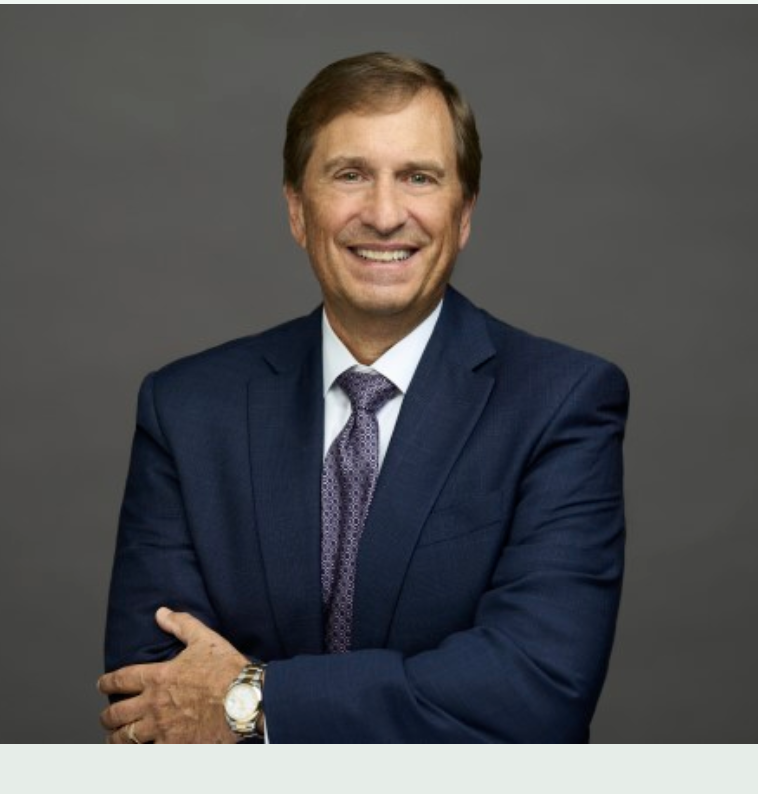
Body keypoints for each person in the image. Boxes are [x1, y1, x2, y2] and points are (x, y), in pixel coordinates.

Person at [98, 52, 629, 743]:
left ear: (463, 214)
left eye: (419, 177)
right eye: (350, 175)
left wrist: (256, 704)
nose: (384, 215)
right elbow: (152, 702)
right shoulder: (187, 409)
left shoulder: (562, 404)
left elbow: (536, 689)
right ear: (297, 208)